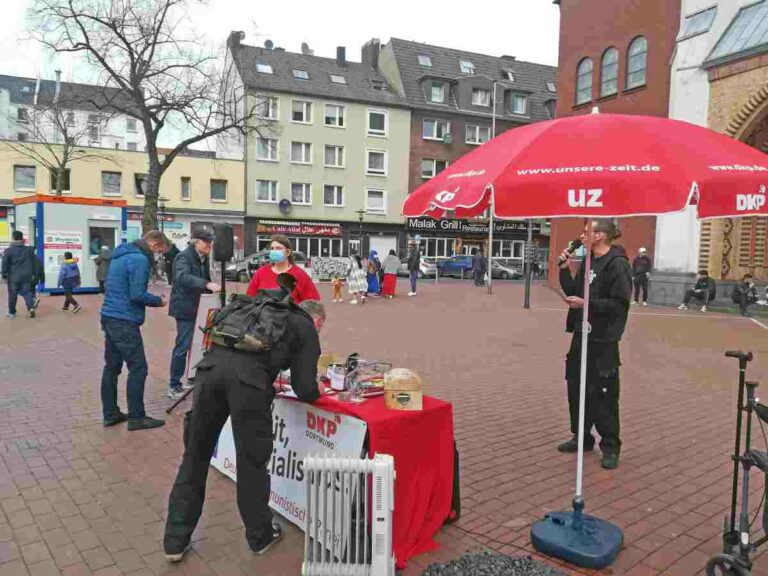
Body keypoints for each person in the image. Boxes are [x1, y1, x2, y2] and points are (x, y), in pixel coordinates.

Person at [163, 298, 326, 563]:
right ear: (317, 321)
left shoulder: (258, 308)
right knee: (252, 462)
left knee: (195, 457)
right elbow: (306, 389)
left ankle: (174, 541)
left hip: (208, 376)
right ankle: (260, 536)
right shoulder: (305, 327)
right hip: (248, 386)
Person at [558, 219, 632, 470]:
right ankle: (582, 437)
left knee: (604, 394)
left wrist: (587, 304)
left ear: (600, 236)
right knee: (577, 388)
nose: (581, 236)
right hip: (581, 336)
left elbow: (619, 304)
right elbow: (573, 292)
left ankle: (610, 445)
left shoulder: (618, 265)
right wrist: (565, 268)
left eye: (586, 232)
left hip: (603, 340)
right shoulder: (589, 260)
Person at [100, 230, 169, 431]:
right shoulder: (139, 259)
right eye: (160, 251)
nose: (158, 255)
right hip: (124, 320)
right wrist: (159, 301)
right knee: (139, 368)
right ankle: (137, 417)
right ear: (154, 244)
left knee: (111, 368)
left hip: (110, 316)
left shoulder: (120, 255)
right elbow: (137, 293)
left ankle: (110, 413)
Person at [167, 232, 221, 401]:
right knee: (182, 346)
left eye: (210, 243)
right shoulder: (184, 257)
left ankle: (191, 378)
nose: (209, 246)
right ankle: (174, 385)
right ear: (196, 242)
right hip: (185, 308)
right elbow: (183, 277)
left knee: (197, 345)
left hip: (199, 307)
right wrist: (207, 284)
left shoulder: (201, 258)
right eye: (206, 242)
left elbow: (204, 279)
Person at [247, 235, 320, 304]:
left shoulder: (300, 275)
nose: (274, 251)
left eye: (278, 248)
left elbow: (313, 303)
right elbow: (249, 299)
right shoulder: (261, 273)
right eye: (272, 248)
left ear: (288, 252)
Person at [2, 230, 42, 318]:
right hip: (26, 276)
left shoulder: (8, 251)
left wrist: (4, 275)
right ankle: (30, 308)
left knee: (12, 294)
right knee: (27, 293)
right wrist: (35, 274)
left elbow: (5, 263)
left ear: (13, 238)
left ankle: (12, 312)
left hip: (13, 277)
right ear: (22, 238)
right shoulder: (29, 250)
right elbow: (34, 262)